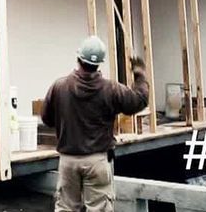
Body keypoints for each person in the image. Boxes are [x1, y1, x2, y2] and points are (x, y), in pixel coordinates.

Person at [42, 35, 149, 212]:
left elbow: (47, 118)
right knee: (99, 208)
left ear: (78, 59)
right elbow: (138, 101)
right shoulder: (111, 89)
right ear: (99, 63)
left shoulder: (59, 86)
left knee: (66, 208)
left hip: (68, 161)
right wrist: (140, 76)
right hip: (97, 160)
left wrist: (66, 121)